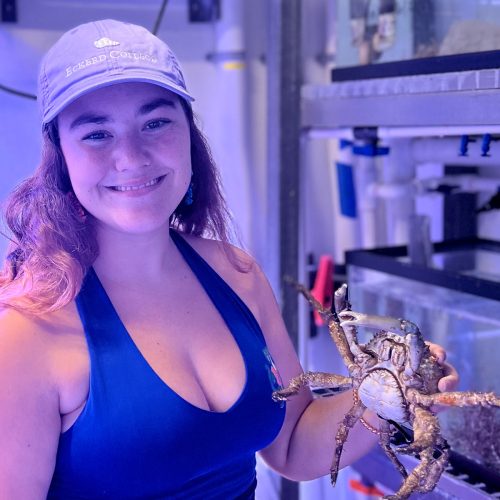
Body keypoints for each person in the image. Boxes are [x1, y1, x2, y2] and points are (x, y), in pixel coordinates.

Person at [0, 19, 458, 499]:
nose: (131, 157)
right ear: (61, 156)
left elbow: (294, 445)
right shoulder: (26, 329)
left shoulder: (235, 275)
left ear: (189, 136)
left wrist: (389, 401)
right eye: (96, 134)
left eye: (156, 122)